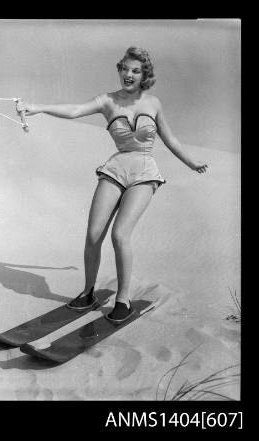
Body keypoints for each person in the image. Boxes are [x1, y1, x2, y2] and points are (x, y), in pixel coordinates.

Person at [16, 47, 208, 323]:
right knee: (94, 234)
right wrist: (39, 108)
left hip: (144, 172)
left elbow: (170, 139)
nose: (128, 75)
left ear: (145, 75)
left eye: (136, 71)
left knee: (120, 235)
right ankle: (88, 293)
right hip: (116, 169)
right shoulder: (107, 101)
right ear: (119, 69)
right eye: (124, 69)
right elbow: (76, 110)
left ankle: (123, 299)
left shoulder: (153, 103)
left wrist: (191, 162)